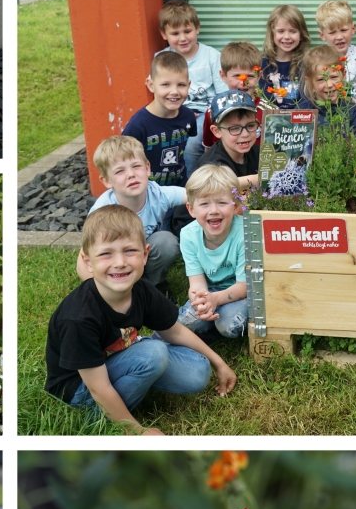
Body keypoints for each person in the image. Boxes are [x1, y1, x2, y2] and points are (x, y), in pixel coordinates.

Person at [45, 206, 237, 435]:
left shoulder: (141, 290)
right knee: (153, 353)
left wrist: (219, 363)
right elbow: (99, 388)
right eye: (106, 253)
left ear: (145, 254)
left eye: (129, 251)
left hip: (116, 360)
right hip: (81, 390)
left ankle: (137, 376)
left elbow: (174, 331)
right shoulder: (79, 317)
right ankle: (100, 416)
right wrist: (137, 432)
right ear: (87, 261)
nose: (120, 262)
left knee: (196, 372)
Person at [82, 136, 185, 294]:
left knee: (166, 241)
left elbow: (196, 194)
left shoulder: (158, 194)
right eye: (120, 171)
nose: (131, 174)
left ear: (147, 168)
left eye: (136, 166)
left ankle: (151, 287)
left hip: (141, 255)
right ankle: (125, 291)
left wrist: (230, 193)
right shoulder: (102, 212)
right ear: (107, 181)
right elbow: (84, 257)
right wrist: (99, 292)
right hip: (117, 261)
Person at [154, 0, 226, 177]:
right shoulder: (162, 59)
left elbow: (222, 95)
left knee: (192, 141)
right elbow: (160, 95)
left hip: (206, 113)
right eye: (175, 33)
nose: (183, 38)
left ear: (197, 28)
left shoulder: (211, 56)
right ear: (164, 34)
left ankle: (192, 185)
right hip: (174, 112)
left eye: (187, 31)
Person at [177, 165, 250, 340]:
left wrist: (215, 300)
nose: (214, 210)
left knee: (229, 325)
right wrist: (201, 300)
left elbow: (244, 286)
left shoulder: (244, 232)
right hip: (210, 291)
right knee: (185, 322)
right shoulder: (188, 235)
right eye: (204, 203)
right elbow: (196, 283)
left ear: (235, 205)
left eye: (222, 202)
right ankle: (208, 322)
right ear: (191, 209)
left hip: (240, 293)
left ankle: (216, 327)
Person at [121, 51, 197, 187]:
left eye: (181, 85)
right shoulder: (138, 124)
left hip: (179, 188)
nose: (174, 91)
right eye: (166, 84)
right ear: (151, 85)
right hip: (149, 193)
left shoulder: (188, 116)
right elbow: (122, 158)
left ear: (188, 85)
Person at [200, 41, 265, 149]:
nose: (244, 82)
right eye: (237, 76)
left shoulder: (267, 111)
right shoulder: (212, 111)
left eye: (250, 76)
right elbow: (209, 148)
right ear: (223, 76)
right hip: (222, 164)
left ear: (259, 76)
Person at [316, 0, 356, 111]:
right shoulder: (318, 59)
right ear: (322, 35)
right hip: (329, 116)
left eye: (343, 30)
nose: (339, 37)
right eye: (332, 32)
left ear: (353, 29)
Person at [196, 91, 262, 189]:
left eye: (251, 125)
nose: (245, 134)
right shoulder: (211, 163)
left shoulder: (255, 151)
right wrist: (260, 179)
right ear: (217, 131)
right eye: (234, 128)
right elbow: (214, 186)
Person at [295, 44, 356, 134]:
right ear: (310, 83)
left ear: (344, 75)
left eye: (334, 77)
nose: (329, 84)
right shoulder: (301, 110)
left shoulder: (352, 110)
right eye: (321, 79)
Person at [259, 4, 312, 109]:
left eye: (293, 31)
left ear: (301, 35)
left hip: (300, 118)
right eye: (281, 31)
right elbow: (262, 96)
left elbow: (308, 96)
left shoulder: (307, 62)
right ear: (272, 33)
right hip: (272, 117)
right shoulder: (263, 63)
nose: (287, 37)